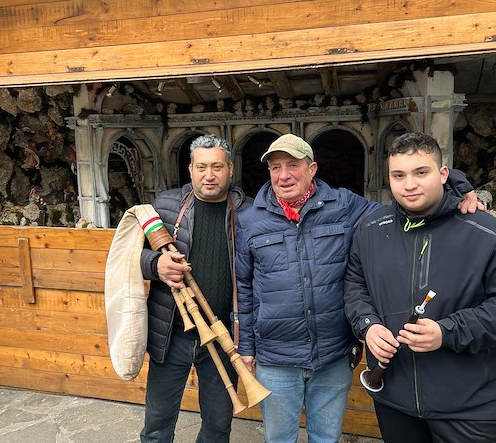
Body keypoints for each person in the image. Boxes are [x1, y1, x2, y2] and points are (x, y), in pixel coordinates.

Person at [235, 133, 481, 443]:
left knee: (326, 438)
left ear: (312, 169)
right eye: (275, 167)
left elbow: (406, 199)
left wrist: (458, 185)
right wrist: (245, 346)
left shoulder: (345, 204)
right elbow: (243, 286)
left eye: (293, 165)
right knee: (279, 439)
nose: (284, 175)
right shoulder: (249, 220)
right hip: (276, 357)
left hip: (333, 355)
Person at [344, 132, 496, 443]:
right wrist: (368, 326)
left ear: (443, 174)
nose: (409, 184)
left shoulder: (484, 232)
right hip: (393, 398)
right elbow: (355, 286)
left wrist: (447, 332)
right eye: (398, 175)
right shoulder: (370, 230)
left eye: (421, 172)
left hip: (468, 406)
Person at [139, 134, 251, 443]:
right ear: (190, 170)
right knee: (157, 424)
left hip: (223, 337)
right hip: (172, 334)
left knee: (217, 427)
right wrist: (155, 265)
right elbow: (126, 257)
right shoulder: (165, 205)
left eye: (217, 166)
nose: (209, 175)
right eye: (201, 167)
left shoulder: (250, 214)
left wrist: (249, 341)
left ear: (230, 168)